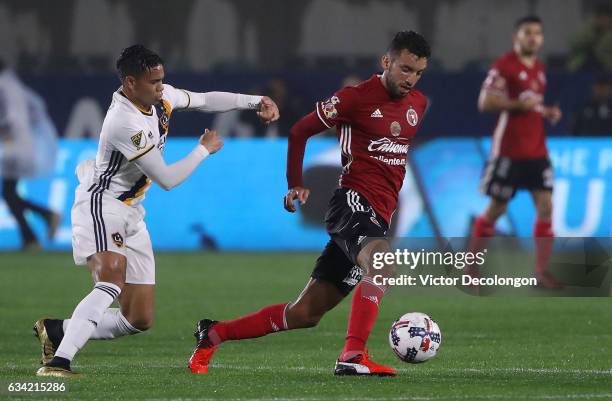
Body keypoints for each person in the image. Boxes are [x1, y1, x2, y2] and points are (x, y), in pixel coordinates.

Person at [188, 31, 430, 376]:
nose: (411, 79)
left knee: (304, 314)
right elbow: (300, 130)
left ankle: (214, 334)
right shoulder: (354, 98)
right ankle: (353, 356)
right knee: (383, 265)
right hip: (352, 202)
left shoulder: (417, 104)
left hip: (378, 214)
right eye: (405, 69)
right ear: (386, 62)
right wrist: (295, 183)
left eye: (418, 72)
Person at [34, 45, 279, 377]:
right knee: (111, 280)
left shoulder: (160, 99)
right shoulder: (123, 121)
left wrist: (254, 101)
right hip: (102, 205)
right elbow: (165, 178)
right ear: (131, 83)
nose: (161, 87)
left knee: (138, 318)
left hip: (132, 211)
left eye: (163, 79)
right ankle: (59, 362)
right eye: (154, 82)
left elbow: (205, 99)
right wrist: (202, 151)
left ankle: (58, 330)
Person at [469, 16, 562, 288]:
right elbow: (485, 102)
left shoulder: (540, 69)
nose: (533, 37)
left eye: (537, 33)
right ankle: (471, 269)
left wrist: (546, 112)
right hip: (509, 152)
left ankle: (541, 272)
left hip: (537, 151)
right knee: (497, 209)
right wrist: (515, 105)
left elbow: (530, 105)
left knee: (546, 207)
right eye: (527, 32)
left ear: (541, 39)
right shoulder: (504, 66)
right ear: (516, 37)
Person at [0, 59, 61, 250]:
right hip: (22, 143)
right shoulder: (13, 84)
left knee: (9, 194)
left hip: (13, 147)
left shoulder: (3, 86)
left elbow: (9, 118)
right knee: (10, 193)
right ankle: (39, 225)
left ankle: (33, 235)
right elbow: (37, 106)